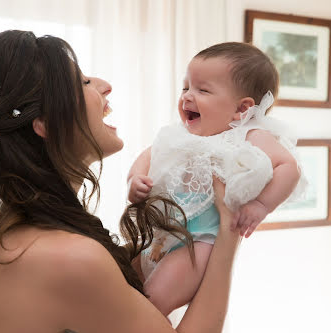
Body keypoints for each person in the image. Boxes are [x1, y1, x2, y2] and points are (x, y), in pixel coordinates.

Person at [0, 30, 241, 333]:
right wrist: (229, 230)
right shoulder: (65, 257)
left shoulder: (0, 228)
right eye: (83, 81)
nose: (104, 85)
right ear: (43, 124)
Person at [127, 42, 306, 317]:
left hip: (202, 241)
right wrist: (135, 179)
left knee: (155, 299)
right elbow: (148, 155)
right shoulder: (180, 135)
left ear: (241, 110)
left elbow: (288, 167)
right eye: (185, 87)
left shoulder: (249, 136)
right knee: (126, 286)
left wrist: (261, 205)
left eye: (202, 90)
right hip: (161, 232)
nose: (187, 96)